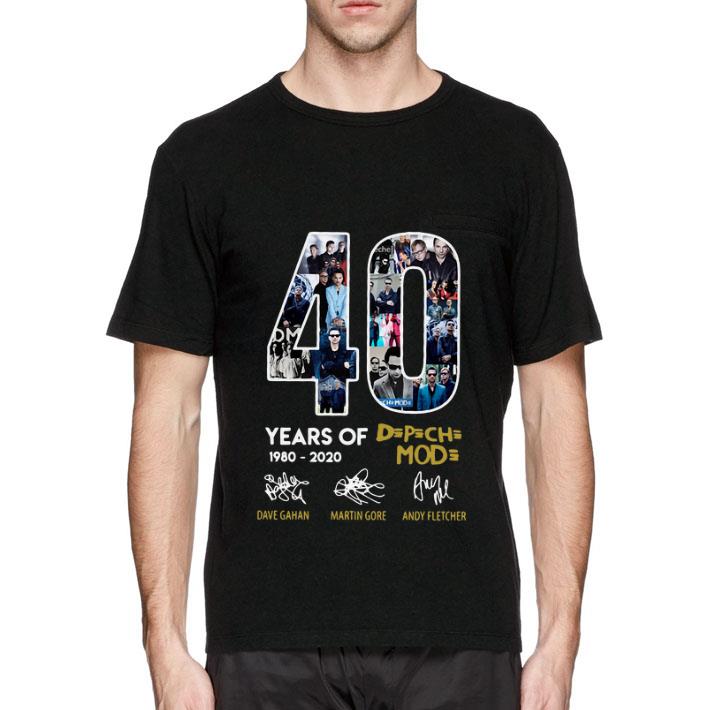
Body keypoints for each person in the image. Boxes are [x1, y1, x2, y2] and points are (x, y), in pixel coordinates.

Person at [107, 1, 601, 707]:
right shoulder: (204, 159)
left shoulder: (514, 153)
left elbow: (553, 405)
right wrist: (164, 645)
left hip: (462, 637)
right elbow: (168, 412)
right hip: (263, 644)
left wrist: (560, 641)